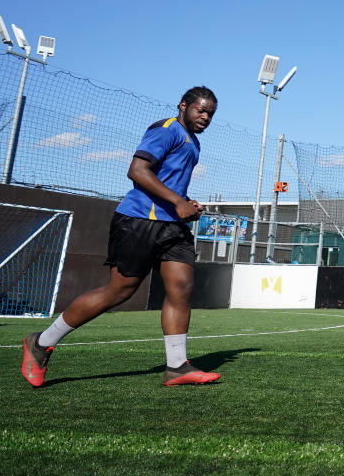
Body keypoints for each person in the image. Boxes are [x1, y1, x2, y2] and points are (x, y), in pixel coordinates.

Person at [20, 87, 221, 388]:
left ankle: (178, 366)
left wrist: (185, 202)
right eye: (200, 110)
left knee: (181, 287)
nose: (205, 117)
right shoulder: (167, 130)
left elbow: (168, 184)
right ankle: (40, 343)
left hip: (172, 227)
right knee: (120, 290)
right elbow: (138, 170)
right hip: (140, 219)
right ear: (183, 106)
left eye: (210, 114)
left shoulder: (193, 142)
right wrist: (177, 202)